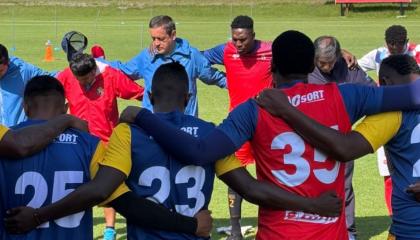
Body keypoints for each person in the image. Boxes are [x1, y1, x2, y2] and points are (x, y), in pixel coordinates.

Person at [119, 30, 420, 239]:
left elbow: (199, 152)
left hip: (279, 233)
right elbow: (413, 95)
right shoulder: (347, 96)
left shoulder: (255, 110)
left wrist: (142, 115)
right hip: (330, 231)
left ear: (272, 67)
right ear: (312, 65)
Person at [5, 63, 343, 240]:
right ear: (188, 97)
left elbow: (112, 195)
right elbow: (252, 190)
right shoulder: (212, 136)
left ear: (149, 96)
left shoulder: (127, 133)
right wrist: (312, 204)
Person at [1, 75, 213, 239]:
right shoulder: (90, 146)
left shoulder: (6, 145)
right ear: (66, 108)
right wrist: (190, 225)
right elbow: (124, 202)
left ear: (25, 106)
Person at [255, 54, 420, 240]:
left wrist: (287, 111)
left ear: (384, 81)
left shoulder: (392, 113)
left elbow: (345, 148)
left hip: (410, 229)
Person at [56, 52, 144, 238]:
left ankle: (109, 230)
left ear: (93, 71)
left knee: (107, 187)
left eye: (86, 78)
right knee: (75, 188)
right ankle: (74, 226)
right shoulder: (66, 76)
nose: (82, 83)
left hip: (106, 143)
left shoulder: (111, 75)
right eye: (78, 80)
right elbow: (52, 96)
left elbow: (139, 93)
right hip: (77, 144)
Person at [202, 15, 272, 239]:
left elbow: (300, 57)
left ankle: (270, 224)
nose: (239, 44)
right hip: (237, 125)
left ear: (253, 35)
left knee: (269, 175)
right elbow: (198, 60)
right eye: (235, 40)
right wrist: (221, 79)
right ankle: (235, 229)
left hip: (266, 124)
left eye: (243, 40)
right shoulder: (225, 51)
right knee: (234, 173)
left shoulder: (271, 50)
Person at [308, 35, 376, 239]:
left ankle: (349, 232)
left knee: (343, 188)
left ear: (338, 56)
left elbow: (374, 94)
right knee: (310, 189)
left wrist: (358, 132)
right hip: (309, 143)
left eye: (330, 62)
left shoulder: (350, 68)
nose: (326, 67)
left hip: (342, 142)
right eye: (322, 63)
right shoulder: (303, 68)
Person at [104, 15, 226, 117]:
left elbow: (213, 77)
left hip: (184, 128)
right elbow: (123, 70)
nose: (156, 43)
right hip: (153, 128)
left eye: (161, 39)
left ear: (173, 35)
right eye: (153, 38)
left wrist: (240, 84)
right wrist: (97, 63)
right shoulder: (147, 57)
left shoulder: (191, 56)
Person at [358, 24, 420, 216]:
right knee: (388, 173)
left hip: (411, 118)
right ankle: (394, 214)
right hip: (388, 119)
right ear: (386, 43)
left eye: (400, 44)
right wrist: (372, 87)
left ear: (406, 42)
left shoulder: (417, 52)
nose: (395, 47)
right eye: (392, 44)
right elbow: (356, 67)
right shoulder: (378, 55)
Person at [0, 43, 55, 127]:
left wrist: (70, 72)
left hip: (16, 133)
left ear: (8, 62)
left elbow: (49, 78)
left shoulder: (22, 70)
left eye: (1, 71)